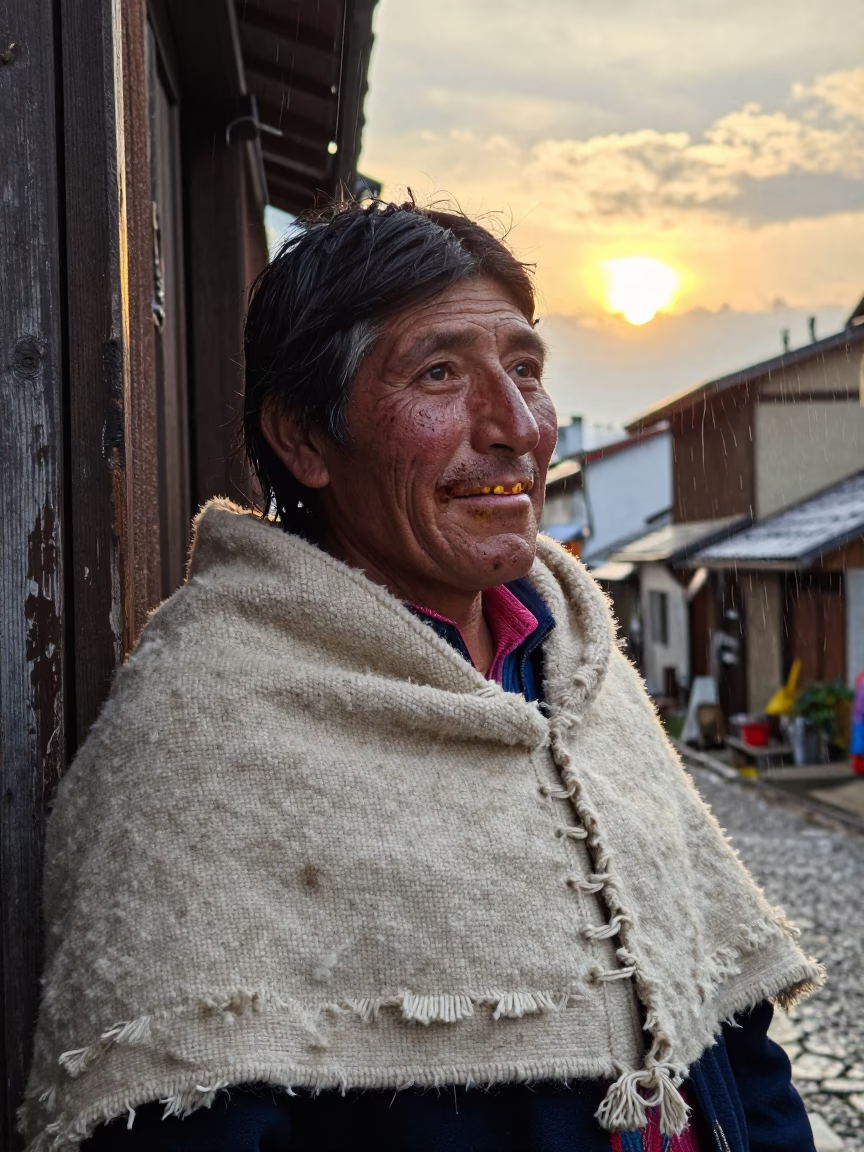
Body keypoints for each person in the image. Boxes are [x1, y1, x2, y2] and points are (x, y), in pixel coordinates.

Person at [22, 202, 821, 1152]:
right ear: (304, 440)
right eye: (440, 373)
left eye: (526, 370)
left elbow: (733, 1039)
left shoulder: (579, 673)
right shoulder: (208, 731)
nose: (517, 427)